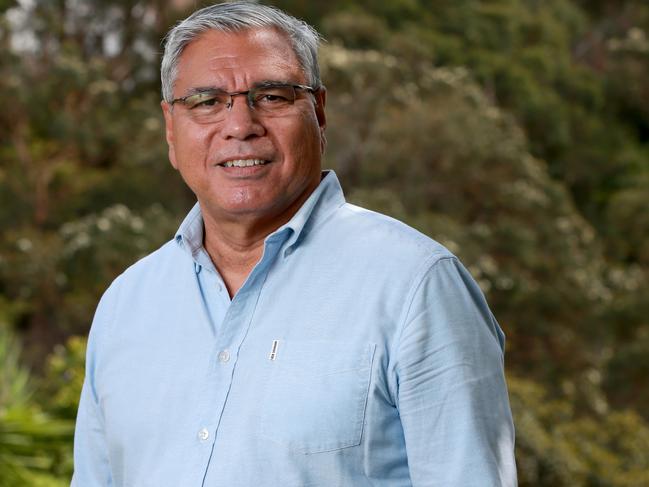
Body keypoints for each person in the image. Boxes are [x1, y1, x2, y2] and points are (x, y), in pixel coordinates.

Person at [71, 2, 517, 486]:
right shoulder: (125, 306)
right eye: (206, 101)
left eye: (273, 96)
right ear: (170, 129)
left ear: (319, 113)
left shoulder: (416, 286)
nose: (241, 125)